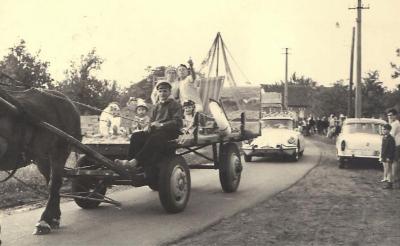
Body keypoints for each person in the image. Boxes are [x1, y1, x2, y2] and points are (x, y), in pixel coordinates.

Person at [115, 80, 182, 172]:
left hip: (170, 132)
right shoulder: (156, 106)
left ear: (169, 92)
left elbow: (178, 122)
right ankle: (130, 162)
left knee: (154, 138)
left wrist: (162, 124)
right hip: (157, 131)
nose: (162, 93)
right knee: (136, 136)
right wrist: (149, 126)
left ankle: (135, 162)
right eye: (160, 91)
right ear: (157, 93)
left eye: (165, 91)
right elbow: (152, 121)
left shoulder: (175, 104)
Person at [387, 109, 400, 188]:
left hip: (395, 146)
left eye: (391, 115)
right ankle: (391, 181)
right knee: (391, 164)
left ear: (395, 115)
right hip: (393, 145)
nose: (389, 117)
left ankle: (391, 182)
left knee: (393, 163)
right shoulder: (392, 123)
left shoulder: (395, 124)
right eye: (388, 115)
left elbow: (390, 135)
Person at [380, 123, 396, 189]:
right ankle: (386, 181)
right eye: (382, 129)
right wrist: (381, 156)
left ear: (389, 130)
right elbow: (383, 147)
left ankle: (390, 184)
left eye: (384, 129)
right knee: (386, 170)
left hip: (388, 157)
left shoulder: (391, 139)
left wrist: (389, 157)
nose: (383, 131)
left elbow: (392, 149)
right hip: (384, 156)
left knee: (389, 170)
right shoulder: (384, 137)